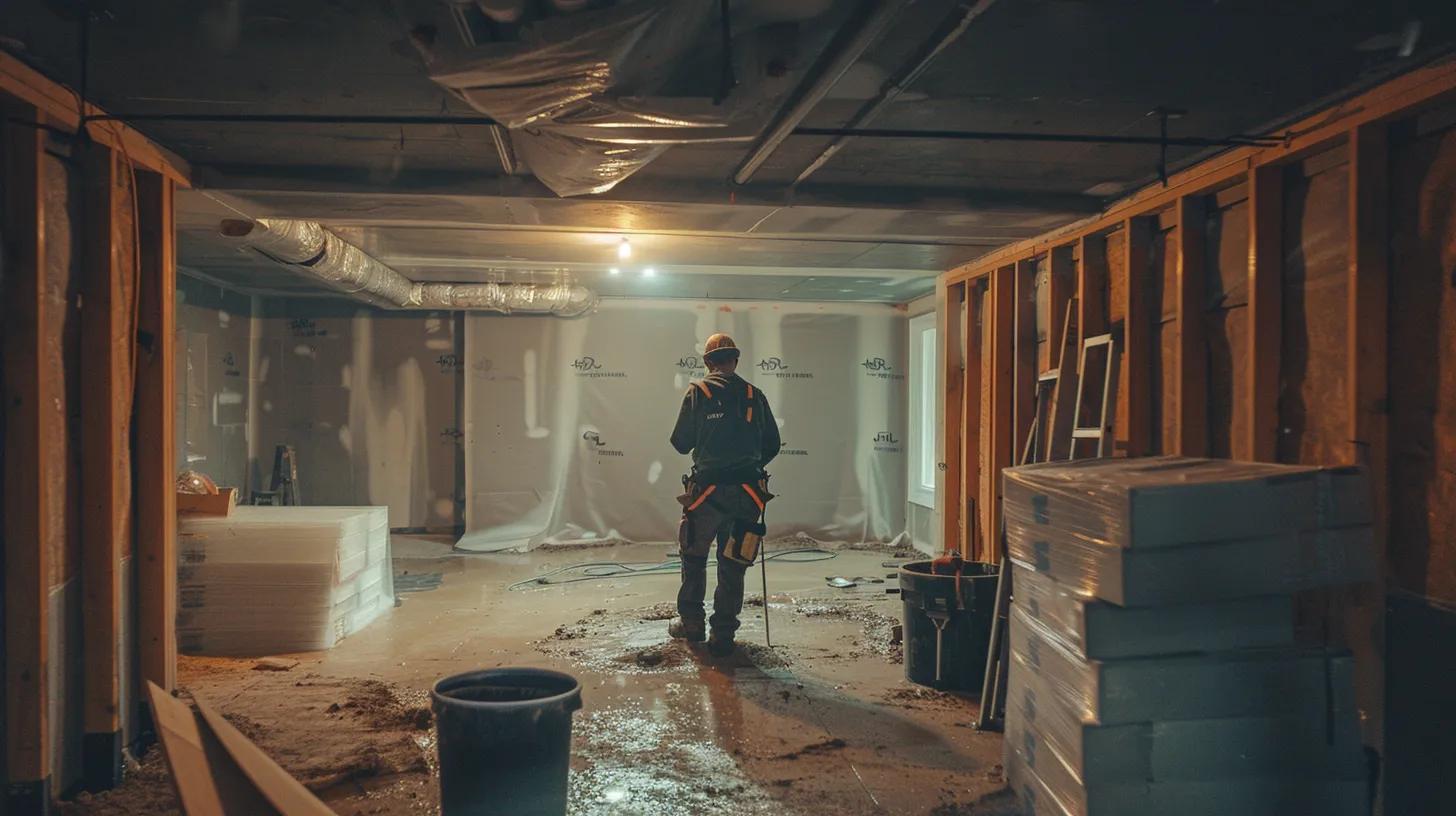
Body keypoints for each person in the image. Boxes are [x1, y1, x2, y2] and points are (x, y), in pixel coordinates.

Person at [668, 333, 780, 656]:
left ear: (707, 363)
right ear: (735, 359)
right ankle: (723, 634)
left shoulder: (697, 393)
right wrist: (746, 464)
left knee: (693, 557)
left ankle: (692, 624)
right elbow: (772, 444)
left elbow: (680, 443)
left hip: (705, 493)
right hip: (747, 495)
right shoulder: (753, 395)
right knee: (733, 563)